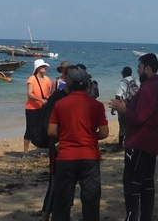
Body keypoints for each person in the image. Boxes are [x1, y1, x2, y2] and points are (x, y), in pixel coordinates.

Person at [108, 53, 158, 221]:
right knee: (147, 183)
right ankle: (145, 217)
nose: (137, 70)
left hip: (140, 142)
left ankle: (132, 217)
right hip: (151, 142)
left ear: (148, 68)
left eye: (139, 67)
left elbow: (139, 117)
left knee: (132, 184)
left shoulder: (150, 88)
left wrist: (123, 110)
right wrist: (127, 106)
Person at [48, 68, 109, 221]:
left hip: (66, 157)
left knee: (62, 202)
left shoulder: (60, 104)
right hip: (89, 157)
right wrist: (87, 135)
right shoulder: (96, 105)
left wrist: (67, 135)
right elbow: (104, 133)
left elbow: (51, 131)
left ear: (70, 85)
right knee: (90, 201)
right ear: (87, 85)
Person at [41, 64, 78, 221]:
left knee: (70, 184)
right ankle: (45, 215)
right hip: (58, 146)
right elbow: (48, 127)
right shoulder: (57, 98)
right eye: (73, 77)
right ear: (66, 78)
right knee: (55, 182)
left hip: (73, 148)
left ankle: (64, 214)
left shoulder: (77, 98)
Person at [25, 58, 52, 155]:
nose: (44, 68)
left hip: (43, 107)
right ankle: (25, 152)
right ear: (37, 68)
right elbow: (29, 94)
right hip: (31, 108)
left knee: (41, 129)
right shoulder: (31, 79)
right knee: (30, 129)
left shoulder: (47, 79)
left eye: (44, 66)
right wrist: (41, 100)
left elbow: (49, 93)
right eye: (42, 66)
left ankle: (38, 150)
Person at [111, 66, 138, 149]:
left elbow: (118, 96)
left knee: (122, 126)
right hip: (134, 106)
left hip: (124, 106)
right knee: (131, 125)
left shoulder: (122, 82)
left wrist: (113, 107)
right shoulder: (136, 81)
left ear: (124, 73)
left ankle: (120, 145)